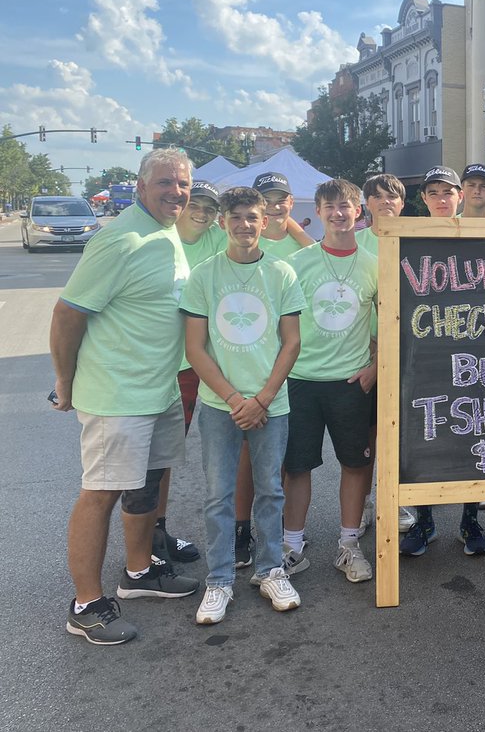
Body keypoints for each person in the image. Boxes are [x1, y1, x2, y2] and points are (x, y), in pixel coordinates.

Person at [51, 148, 200, 645]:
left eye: (182, 184)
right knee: (101, 494)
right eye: (164, 183)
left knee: (149, 484)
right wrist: (66, 382)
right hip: (117, 393)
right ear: (140, 186)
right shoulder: (119, 239)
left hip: (157, 389)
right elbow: (68, 313)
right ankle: (86, 605)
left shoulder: (166, 233)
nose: (175, 192)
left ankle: (138, 572)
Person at [181, 186, 305, 623]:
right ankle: (219, 581)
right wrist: (236, 399)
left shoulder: (282, 273)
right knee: (219, 494)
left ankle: (271, 570)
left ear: (264, 220)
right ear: (222, 223)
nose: (245, 225)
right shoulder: (204, 276)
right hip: (221, 405)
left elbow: (291, 342)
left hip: (273, 402)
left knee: (271, 490)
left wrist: (264, 397)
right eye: (235, 217)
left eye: (252, 217)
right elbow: (196, 348)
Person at [281, 179, 380, 583]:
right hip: (301, 379)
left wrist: (377, 367)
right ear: (319, 212)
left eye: (346, 206)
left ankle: (348, 544)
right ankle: (291, 545)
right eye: (330, 207)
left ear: (359, 212)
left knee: (356, 464)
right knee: (296, 466)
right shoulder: (298, 263)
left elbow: (394, 321)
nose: (339, 213)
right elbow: (279, 326)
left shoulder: (375, 264)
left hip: (351, 382)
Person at [400, 166, 485, 556]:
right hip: (426, 353)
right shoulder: (407, 236)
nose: (440, 198)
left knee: (475, 434)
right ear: (424, 198)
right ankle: (424, 521)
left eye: (447, 192)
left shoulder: (481, 232)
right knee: (426, 438)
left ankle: (471, 521)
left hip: (478, 349)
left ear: (459, 196)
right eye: (433, 192)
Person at [231, 171, 313, 567]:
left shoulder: (300, 248)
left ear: (290, 203)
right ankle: (241, 529)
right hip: (256, 365)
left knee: (282, 457)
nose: (277, 205)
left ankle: (278, 529)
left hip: (295, 362)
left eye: (283, 199)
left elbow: (319, 251)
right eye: (269, 200)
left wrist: (295, 229)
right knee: (250, 456)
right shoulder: (247, 242)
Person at [151, 178, 227, 566]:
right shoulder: (158, 237)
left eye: (210, 208)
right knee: (154, 456)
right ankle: (148, 538)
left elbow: (268, 237)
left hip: (207, 362)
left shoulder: (217, 238)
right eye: (195, 203)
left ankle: (157, 530)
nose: (201, 212)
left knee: (171, 451)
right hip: (165, 362)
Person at [354, 173, 418, 536]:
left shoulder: (417, 239)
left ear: (402, 202)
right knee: (367, 437)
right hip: (366, 352)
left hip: (411, 353)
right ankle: (362, 503)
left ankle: (394, 499)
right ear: (366, 204)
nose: (384, 202)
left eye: (391, 196)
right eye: (376, 197)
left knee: (403, 434)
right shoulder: (357, 242)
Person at [254, 172, 315, 258]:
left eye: (281, 201)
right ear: (253, 204)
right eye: (266, 201)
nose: (275, 207)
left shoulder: (306, 248)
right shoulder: (235, 239)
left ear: (291, 203)